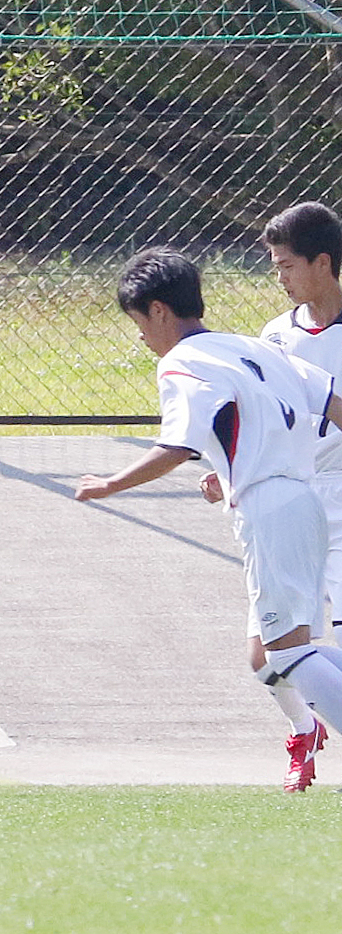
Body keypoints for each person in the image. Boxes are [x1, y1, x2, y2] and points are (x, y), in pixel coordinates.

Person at [74, 247, 342, 740]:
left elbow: (176, 446)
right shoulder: (257, 347)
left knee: (287, 653)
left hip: (269, 509)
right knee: (277, 652)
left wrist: (112, 483)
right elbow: (331, 404)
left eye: (139, 320)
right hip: (307, 503)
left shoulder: (183, 361)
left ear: (158, 310)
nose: (140, 335)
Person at [253, 202, 342, 789]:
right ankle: (304, 727)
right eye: (276, 265)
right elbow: (262, 416)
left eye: (288, 264)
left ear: (324, 262)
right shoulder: (274, 337)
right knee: (265, 657)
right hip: (289, 502)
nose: (280, 276)